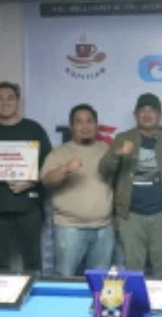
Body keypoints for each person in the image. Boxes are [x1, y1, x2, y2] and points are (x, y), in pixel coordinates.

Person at [98, 93, 162, 278]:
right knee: (133, 271)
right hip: (130, 217)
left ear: (160, 115)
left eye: (151, 110)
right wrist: (117, 153)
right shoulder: (122, 138)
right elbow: (104, 170)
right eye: (142, 110)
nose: (147, 114)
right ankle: (135, 298)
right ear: (135, 115)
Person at [0, 81, 52, 274]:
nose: (5, 103)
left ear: (18, 101)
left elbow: (49, 165)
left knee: (32, 262)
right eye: (0, 99)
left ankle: (33, 294)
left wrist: (30, 182)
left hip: (29, 206)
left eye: (10, 98)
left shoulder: (33, 128)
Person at [41, 104, 114, 277]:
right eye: (79, 122)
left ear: (96, 125)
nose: (85, 126)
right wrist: (65, 169)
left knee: (100, 282)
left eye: (89, 121)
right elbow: (46, 180)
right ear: (71, 126)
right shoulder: (60, 152)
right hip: (69, 228)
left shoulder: (107, 150)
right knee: (64, 278)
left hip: (104, 228)